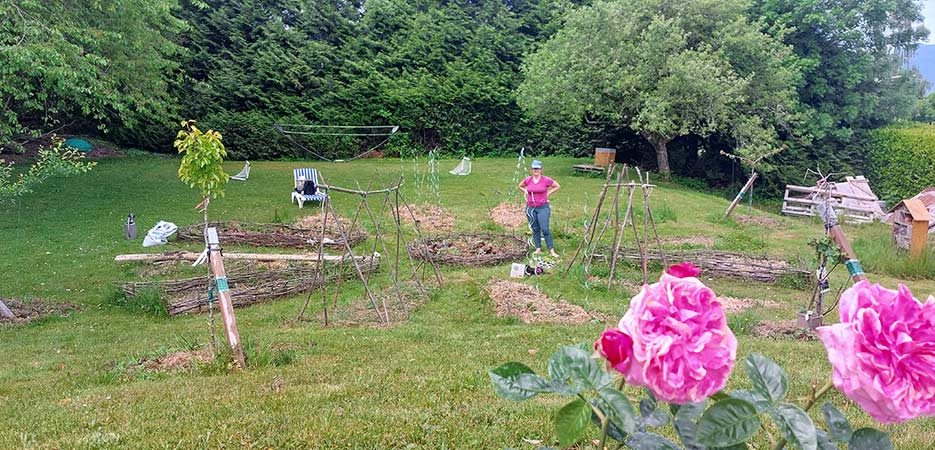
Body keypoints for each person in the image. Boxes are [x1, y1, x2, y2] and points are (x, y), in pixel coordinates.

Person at [519, 160, 560, 257]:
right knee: (535, 228)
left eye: (537, 168)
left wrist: (547, 194)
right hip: (531, 208)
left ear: (541, 169)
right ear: (532, 169)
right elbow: (520, 185)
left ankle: (551, 250)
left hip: (542, 208)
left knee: (545, 229)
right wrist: (525, 191)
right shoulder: (528, 180)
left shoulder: (546, 180)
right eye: (534, 168)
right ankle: (538, 248)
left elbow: (557, 186)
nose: (536, 170)